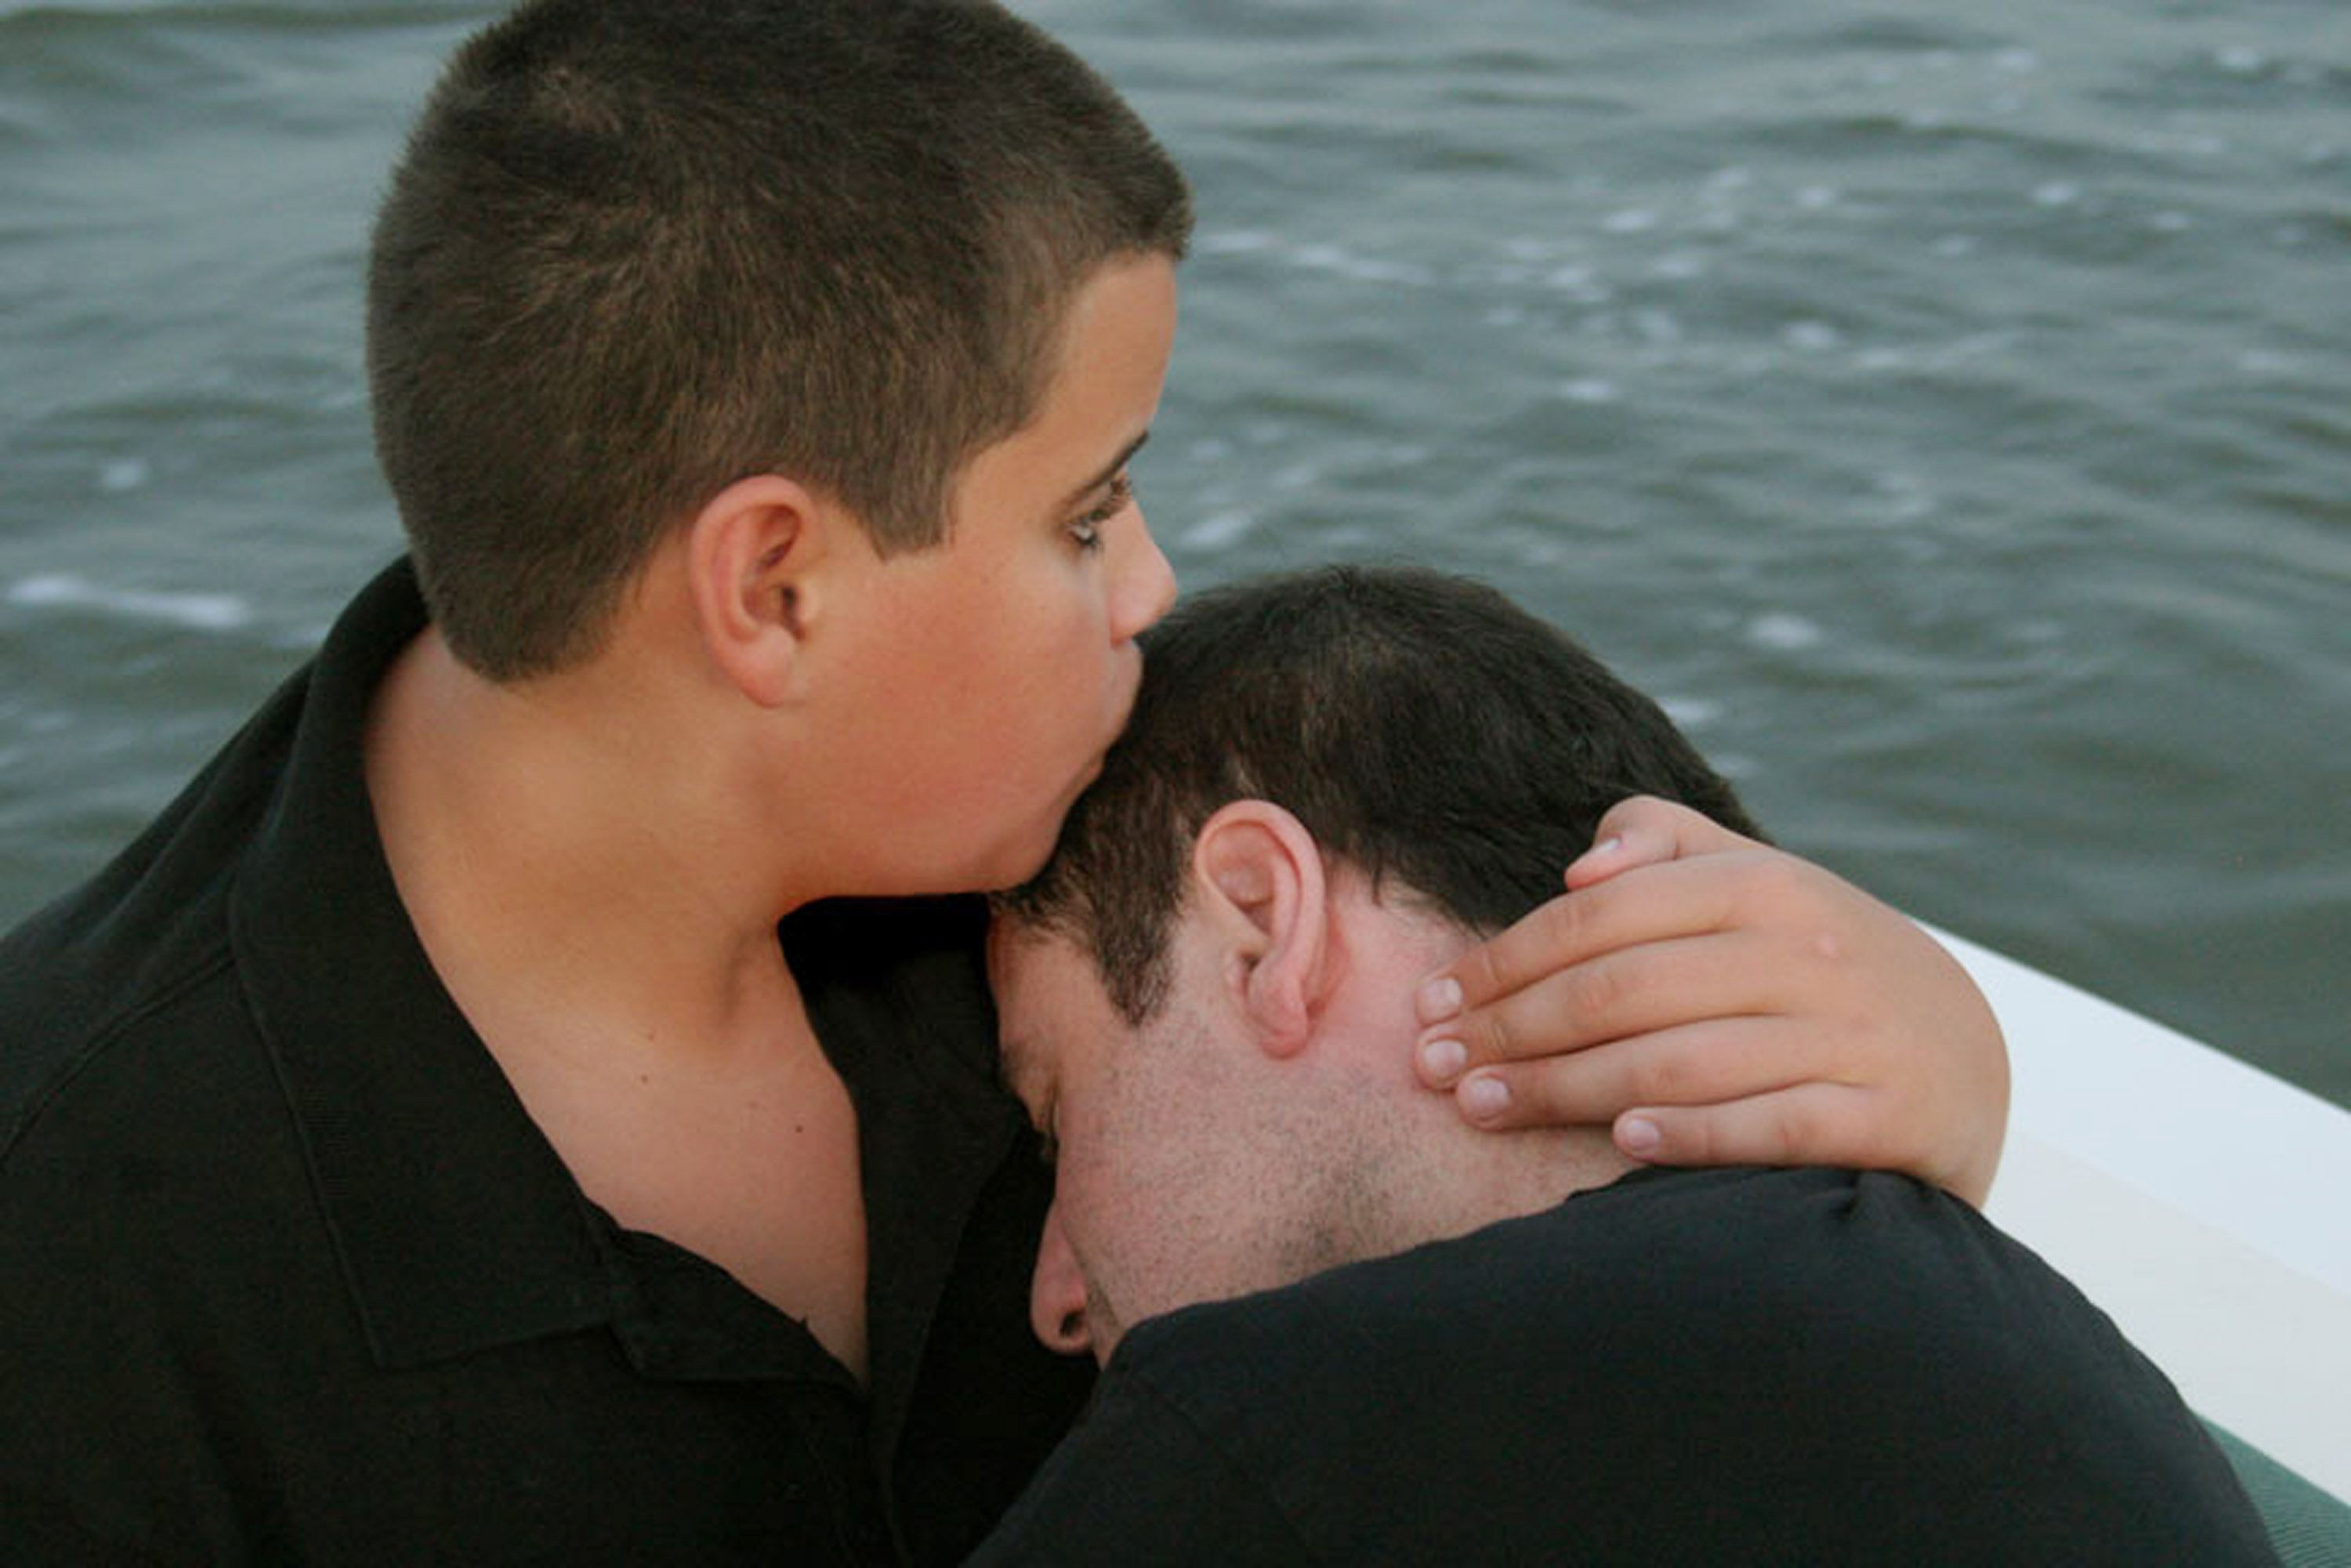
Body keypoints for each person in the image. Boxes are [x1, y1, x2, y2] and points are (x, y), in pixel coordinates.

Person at [0, 2, 2005, 1560]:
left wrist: (1939, 1064)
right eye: (1085, 510)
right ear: (773, 586)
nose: (1151, 584)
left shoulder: (1071, 835)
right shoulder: (81, 1261)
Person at [975, 566, 2277, 1566]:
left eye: (1053, 1106)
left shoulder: (1265, 1433)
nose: (1056, 1295)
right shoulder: (2029, 1355)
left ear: (1263, 919)